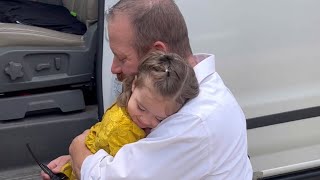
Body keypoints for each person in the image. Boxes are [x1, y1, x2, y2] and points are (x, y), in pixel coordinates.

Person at [42, 0, 253, 179]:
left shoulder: (194, 122)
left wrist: (79, 149)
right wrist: (79, 161)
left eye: (123, 57)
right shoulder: (170, 95)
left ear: (156, 52)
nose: (114, 68)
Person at [54, 51, 200, 180]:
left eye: (159, 118)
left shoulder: (127, 105)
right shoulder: (122, 129)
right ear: (134, 84)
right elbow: (116, 172)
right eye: (141, 108)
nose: (145, 120)